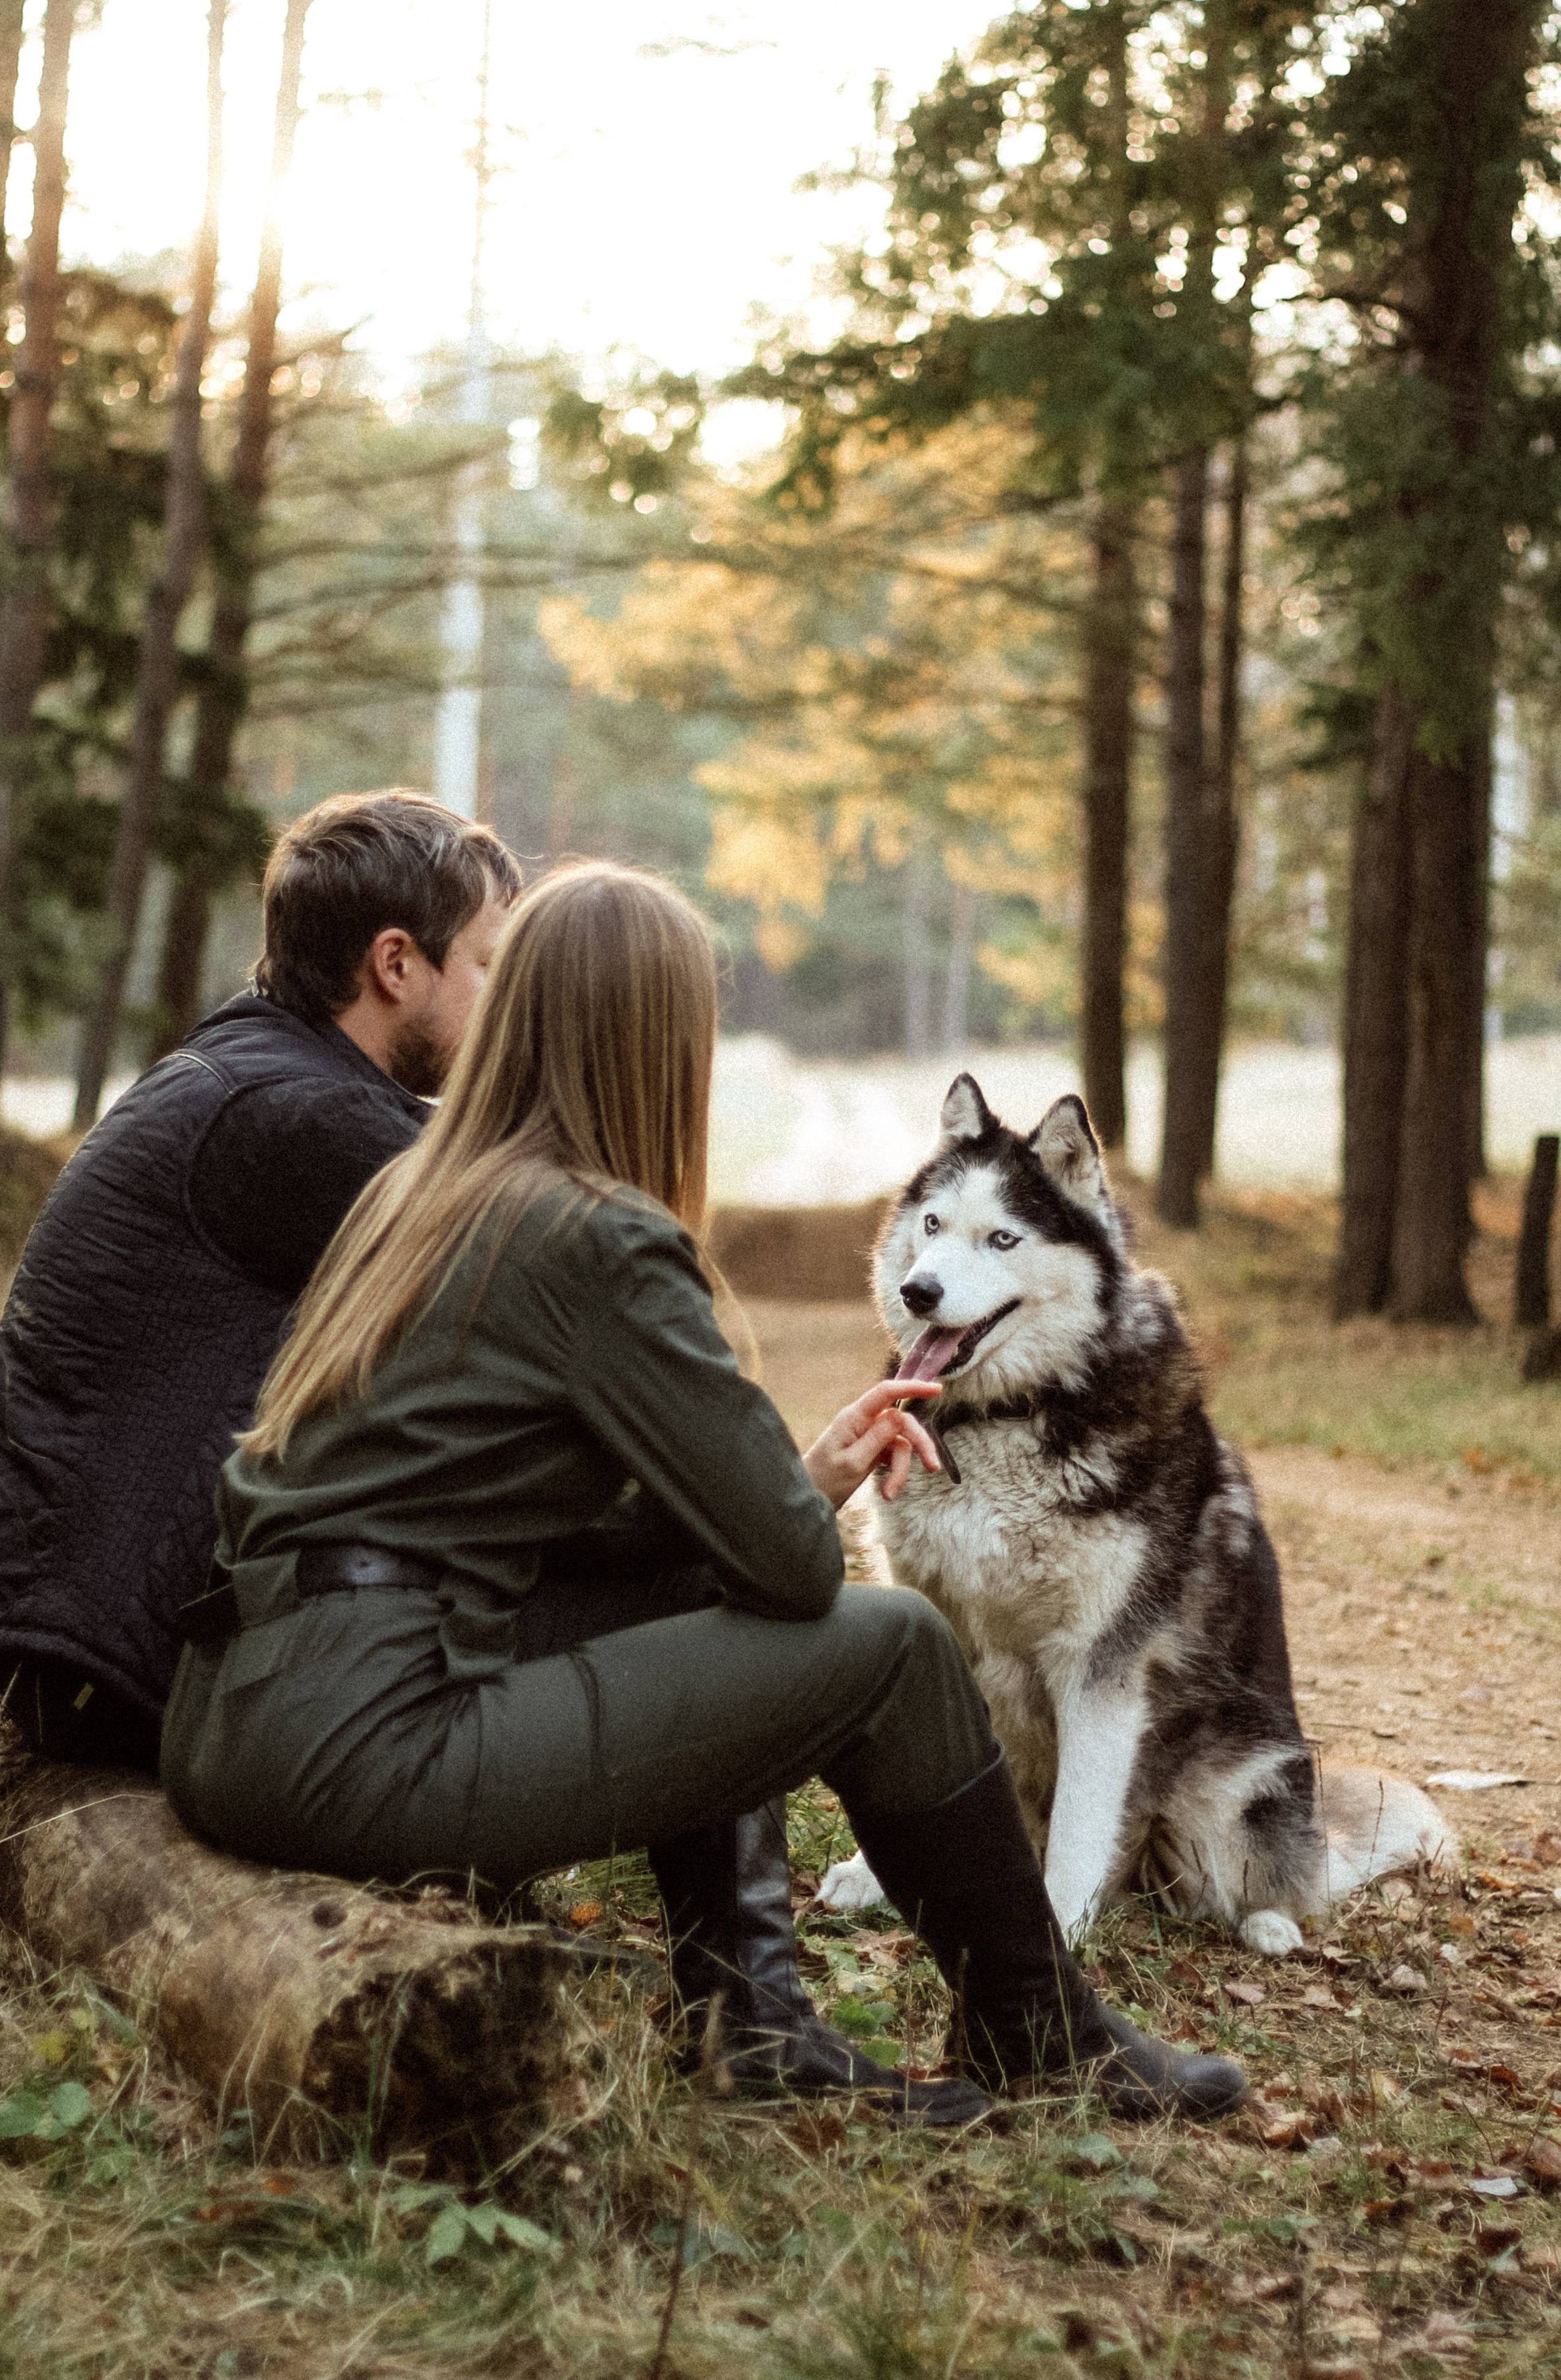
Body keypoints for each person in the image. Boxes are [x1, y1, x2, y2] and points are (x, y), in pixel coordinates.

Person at [162, 862, 1246, 2126]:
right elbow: (791, 1573)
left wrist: (805, 1478)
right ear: (660, 1043)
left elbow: (580, 1524)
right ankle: (1042, 2033)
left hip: (236, 1712)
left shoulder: (420, 1190)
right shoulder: (600, 1236)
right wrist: (790, 1502)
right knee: (890, 1644)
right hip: (368, 1742)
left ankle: (754, 2023)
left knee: (686, 1572)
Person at [0, 789, 518, 1770]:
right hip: (119, 1670)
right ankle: (715, 1927)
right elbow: (555, 1280)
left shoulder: (258, 1073)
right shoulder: (300, 1119)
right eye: (494, 965)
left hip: (84, 1644)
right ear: (397, 963)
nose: (510, 1002)